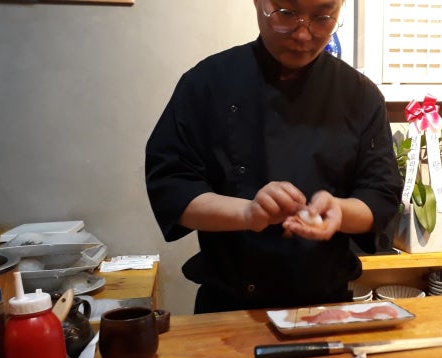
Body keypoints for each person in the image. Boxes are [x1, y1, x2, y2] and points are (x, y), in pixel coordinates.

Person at [145, 0, 403, 314]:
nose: (304, 34)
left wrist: (338, 211)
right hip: (229, 309)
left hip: (324, 308)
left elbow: (380, 196)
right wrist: (248, 213)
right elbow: (173, 189)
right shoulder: (208, 82)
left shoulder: (359, 94)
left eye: (322, 17)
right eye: (286, 14)